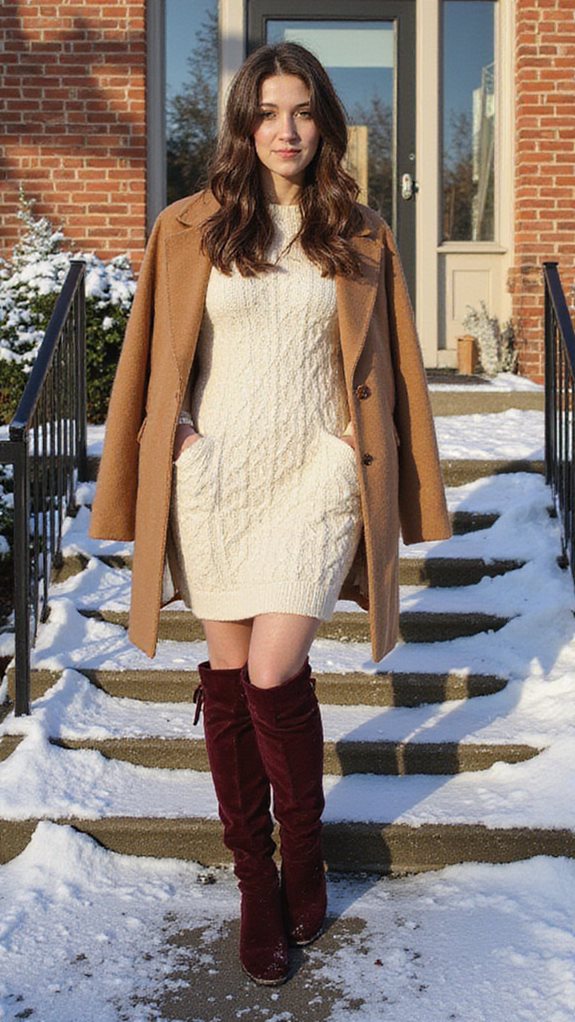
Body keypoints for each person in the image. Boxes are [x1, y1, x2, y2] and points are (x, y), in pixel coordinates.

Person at [89, 41, 451, 986]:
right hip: (215, 480)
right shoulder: (190, 228)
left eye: (301, 112)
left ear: (323, 122)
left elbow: (397, 369)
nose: (284, 130)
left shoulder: (360, 232)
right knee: (227, 673)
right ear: (243, 124)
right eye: (267, 112)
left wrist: (349, 459)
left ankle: (305, 851)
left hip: (316, 479)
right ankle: (258, 882)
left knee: (274, 669)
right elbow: (152, 361)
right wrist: (173, 442)